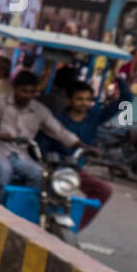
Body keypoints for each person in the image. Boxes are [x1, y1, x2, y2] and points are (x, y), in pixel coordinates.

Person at [37, 78, 131, 229]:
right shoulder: (57, 121)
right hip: (54, 167)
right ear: (69, 100)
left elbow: (126, 100)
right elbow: (43, 145)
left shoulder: (94, 116)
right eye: (79, 99)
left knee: (103, 191)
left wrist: (120, 77)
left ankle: (76, 227)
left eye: (88, 99)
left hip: (75, 168)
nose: (84, 103)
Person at [0, 69, 83, 201]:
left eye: (32, 92)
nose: (28, 95)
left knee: (41, 175)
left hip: (19, 154)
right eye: (24, 91)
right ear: (15, 88)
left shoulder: (39, 109)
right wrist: (1, 135)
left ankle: (20, 207)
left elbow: (59, 131)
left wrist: (79, 144)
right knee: (4, 170)